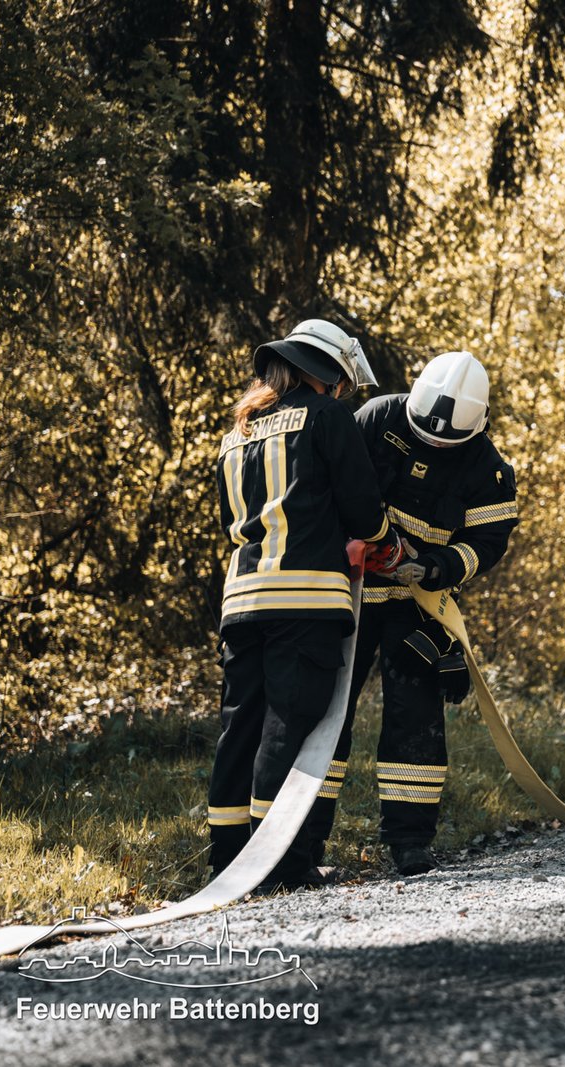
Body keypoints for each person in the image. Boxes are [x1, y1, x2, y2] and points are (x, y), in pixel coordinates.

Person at [303, 351, 519, 877]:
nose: (435, 445)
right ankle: (301, 847)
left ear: (478, 425)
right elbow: (328, 481)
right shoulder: (378, 417)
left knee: (416, 721)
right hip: (349, 593)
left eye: (448, 442)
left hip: (417, 609)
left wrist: (438, 567)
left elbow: (487, 544)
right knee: (326, 715)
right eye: (427, 436)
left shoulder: (489, 470)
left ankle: (410, 844)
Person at [208, 319, 400, 890]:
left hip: (242, 599)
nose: (341, 392)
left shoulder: (238, 430)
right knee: (287, 728)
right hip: (307, 598)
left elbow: (230, 520)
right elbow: (363, 506)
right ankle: (280, 865)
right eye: (340, 381)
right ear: (326, 375)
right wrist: (383, 540)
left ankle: (227, 858)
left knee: (239, 729)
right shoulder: (327, 417)